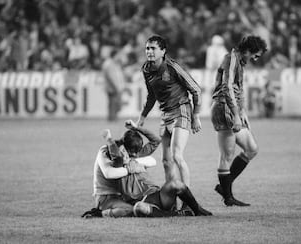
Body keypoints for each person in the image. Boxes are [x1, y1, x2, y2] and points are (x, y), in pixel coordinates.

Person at [82, 120, 212, 218]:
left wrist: (137, 128)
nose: (133, 155)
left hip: (157, 195)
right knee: (139, 208)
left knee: (176, 183)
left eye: (135, 153)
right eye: (131, 152)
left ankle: (197, 209)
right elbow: (115, 159)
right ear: (123, 148)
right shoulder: (118, 162)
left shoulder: (137, 156)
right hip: (144, 201)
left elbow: (155, 141)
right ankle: (176, 214)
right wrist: (109, 139)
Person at [136, 35, 202, 197]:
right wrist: (142, 117)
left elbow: (196, 90)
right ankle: (171, 199)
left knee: (177, 156)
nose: (149, 51)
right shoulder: (146, 69)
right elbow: (152, 96)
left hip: (181, 110)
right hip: (165, 115)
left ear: (163, 51)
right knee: (166, 161)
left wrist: (196, 115)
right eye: (147, 48)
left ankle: (188, 202)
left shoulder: (172, 67)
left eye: (153, 48)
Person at [210, 35, 267, 206]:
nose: (255, 59)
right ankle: (228, 197)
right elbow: (227, 87)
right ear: (248, 51)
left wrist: (242, 113)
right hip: (224, 108)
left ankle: (224, 187)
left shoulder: (239, 61)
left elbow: (238, 89)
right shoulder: (231, 59)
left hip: (232, 110)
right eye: (255, 55)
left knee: (251, 149)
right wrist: (235, 114)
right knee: (227, 155)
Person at [101, 50, 126, 121]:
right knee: (113, 103)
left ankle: (112, 117)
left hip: (114, 87)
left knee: (114, 103)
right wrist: (116, 87)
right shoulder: (109, 64)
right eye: (118, 55)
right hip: (112, 87)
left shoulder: (113, 63)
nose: (119, 57)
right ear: (114, 55)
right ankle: (112, 118)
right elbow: (111, 77)